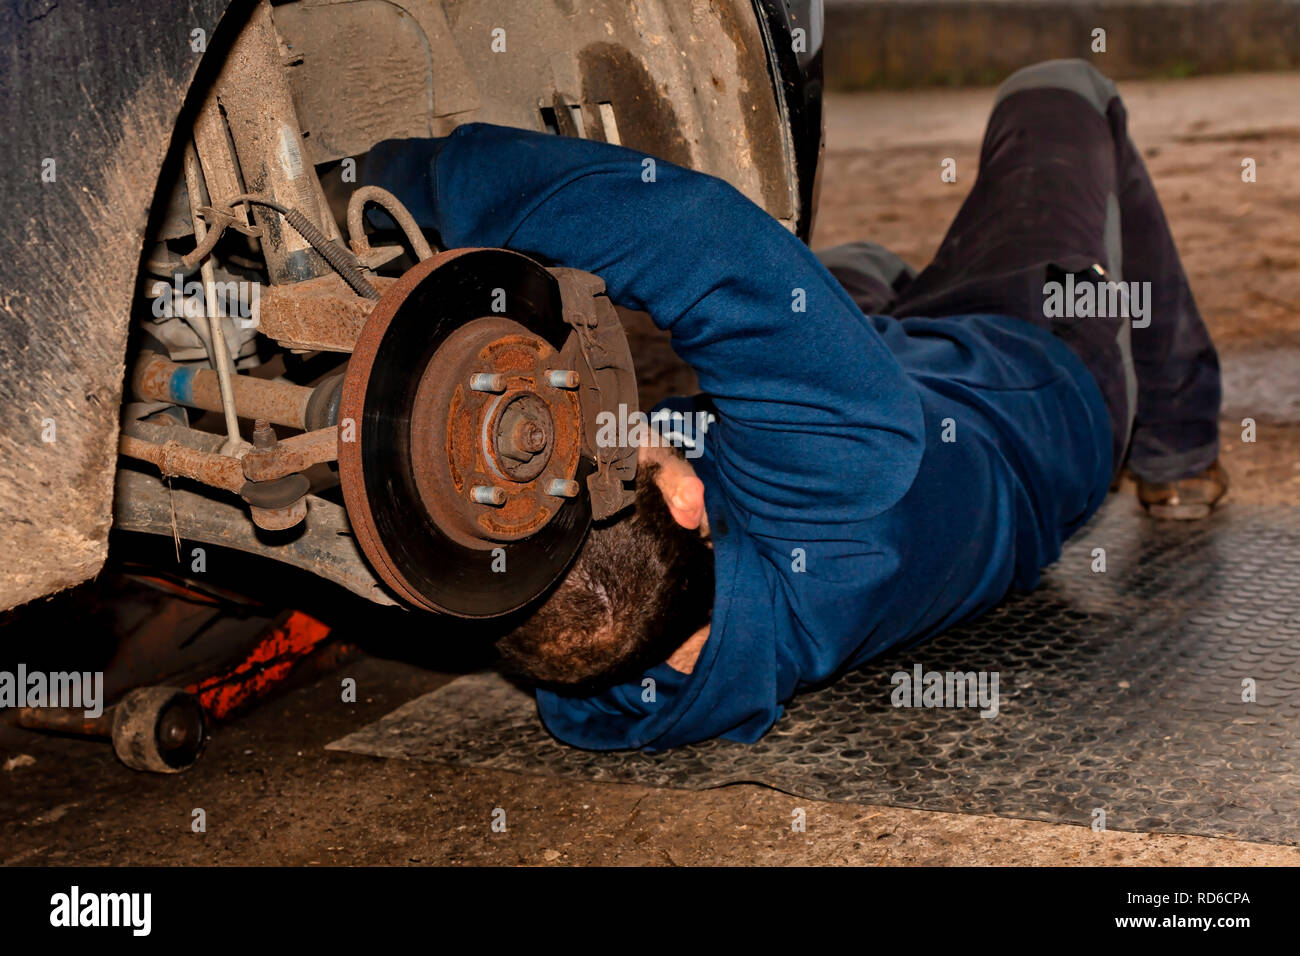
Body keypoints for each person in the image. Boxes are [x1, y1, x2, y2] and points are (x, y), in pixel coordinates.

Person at [365, 59, 1227, 750]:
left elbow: (582, 639)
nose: (619, 425)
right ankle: (1177, 444)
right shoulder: (830, 490)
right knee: (1057, 93)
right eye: (633, 441)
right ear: (686, 498)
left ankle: (876, 301)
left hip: (890, 382)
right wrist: (403, 179)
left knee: (847, 272)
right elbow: (701, 238)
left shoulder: (612, 682)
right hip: (1030, 375)